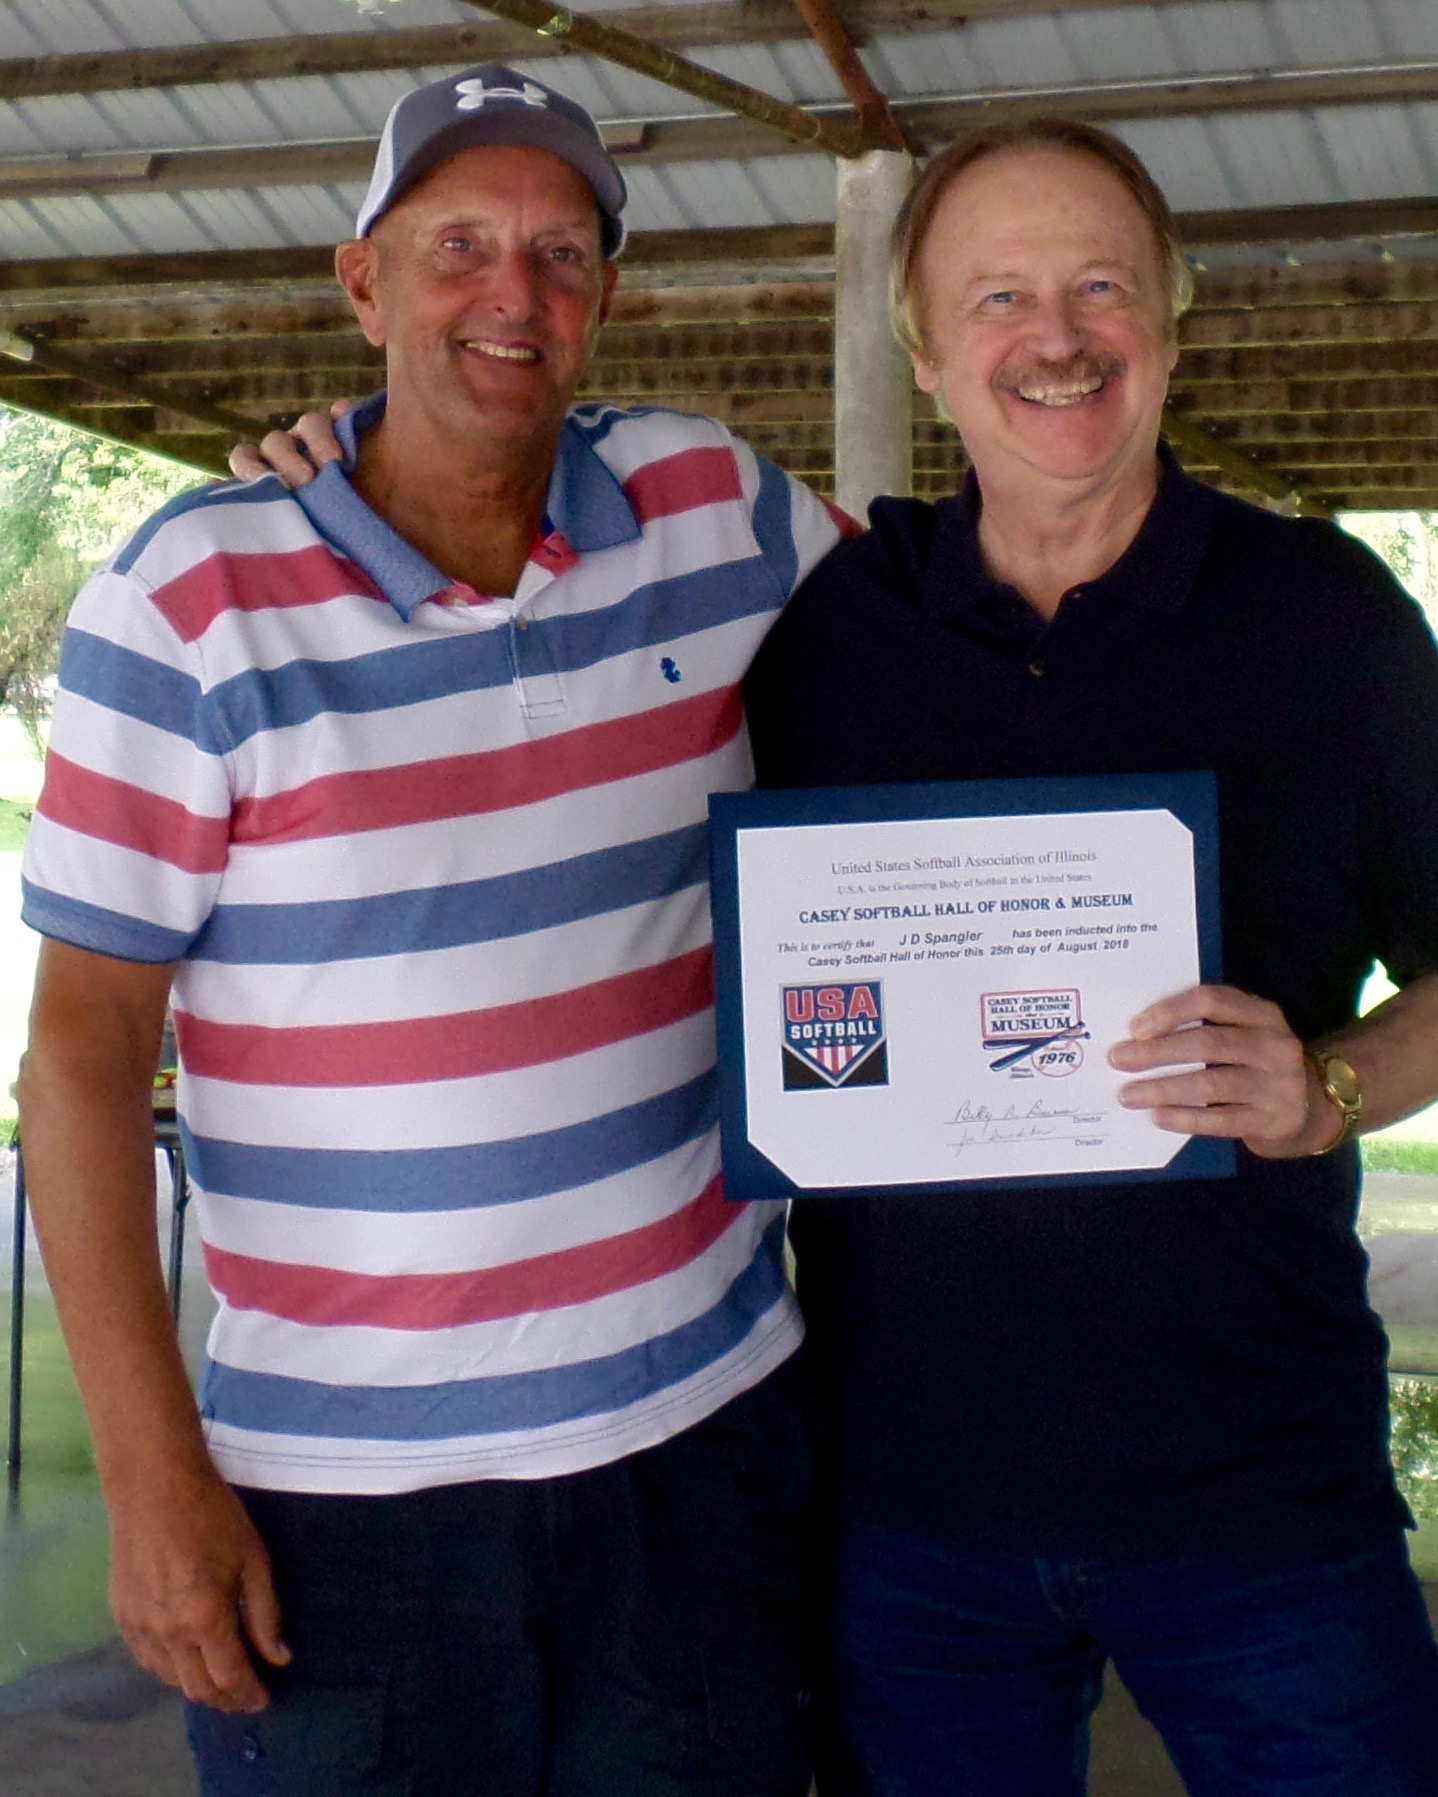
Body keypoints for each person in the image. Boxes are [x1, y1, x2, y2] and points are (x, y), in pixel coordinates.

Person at [17, 65, 845, 1797]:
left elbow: (947, 637)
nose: (511, 292)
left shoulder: (714, 504)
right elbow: (83, 1053)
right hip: (343, 1507)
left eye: (559, 252)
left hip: (701, 1447)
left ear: (604, 296)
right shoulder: (190, 599)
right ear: (363, 282)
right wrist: (152, 1480)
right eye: (457, 244)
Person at [742, 119, 1438, 1796]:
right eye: (996, 296)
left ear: (1169, 317)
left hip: (1261, 1495)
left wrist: (1328, 1086)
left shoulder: (1326, 617)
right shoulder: (828, 629)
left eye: (1097, 288)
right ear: (923, 351)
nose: (1052, 338)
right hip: (908, 1507)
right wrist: (328, 461)